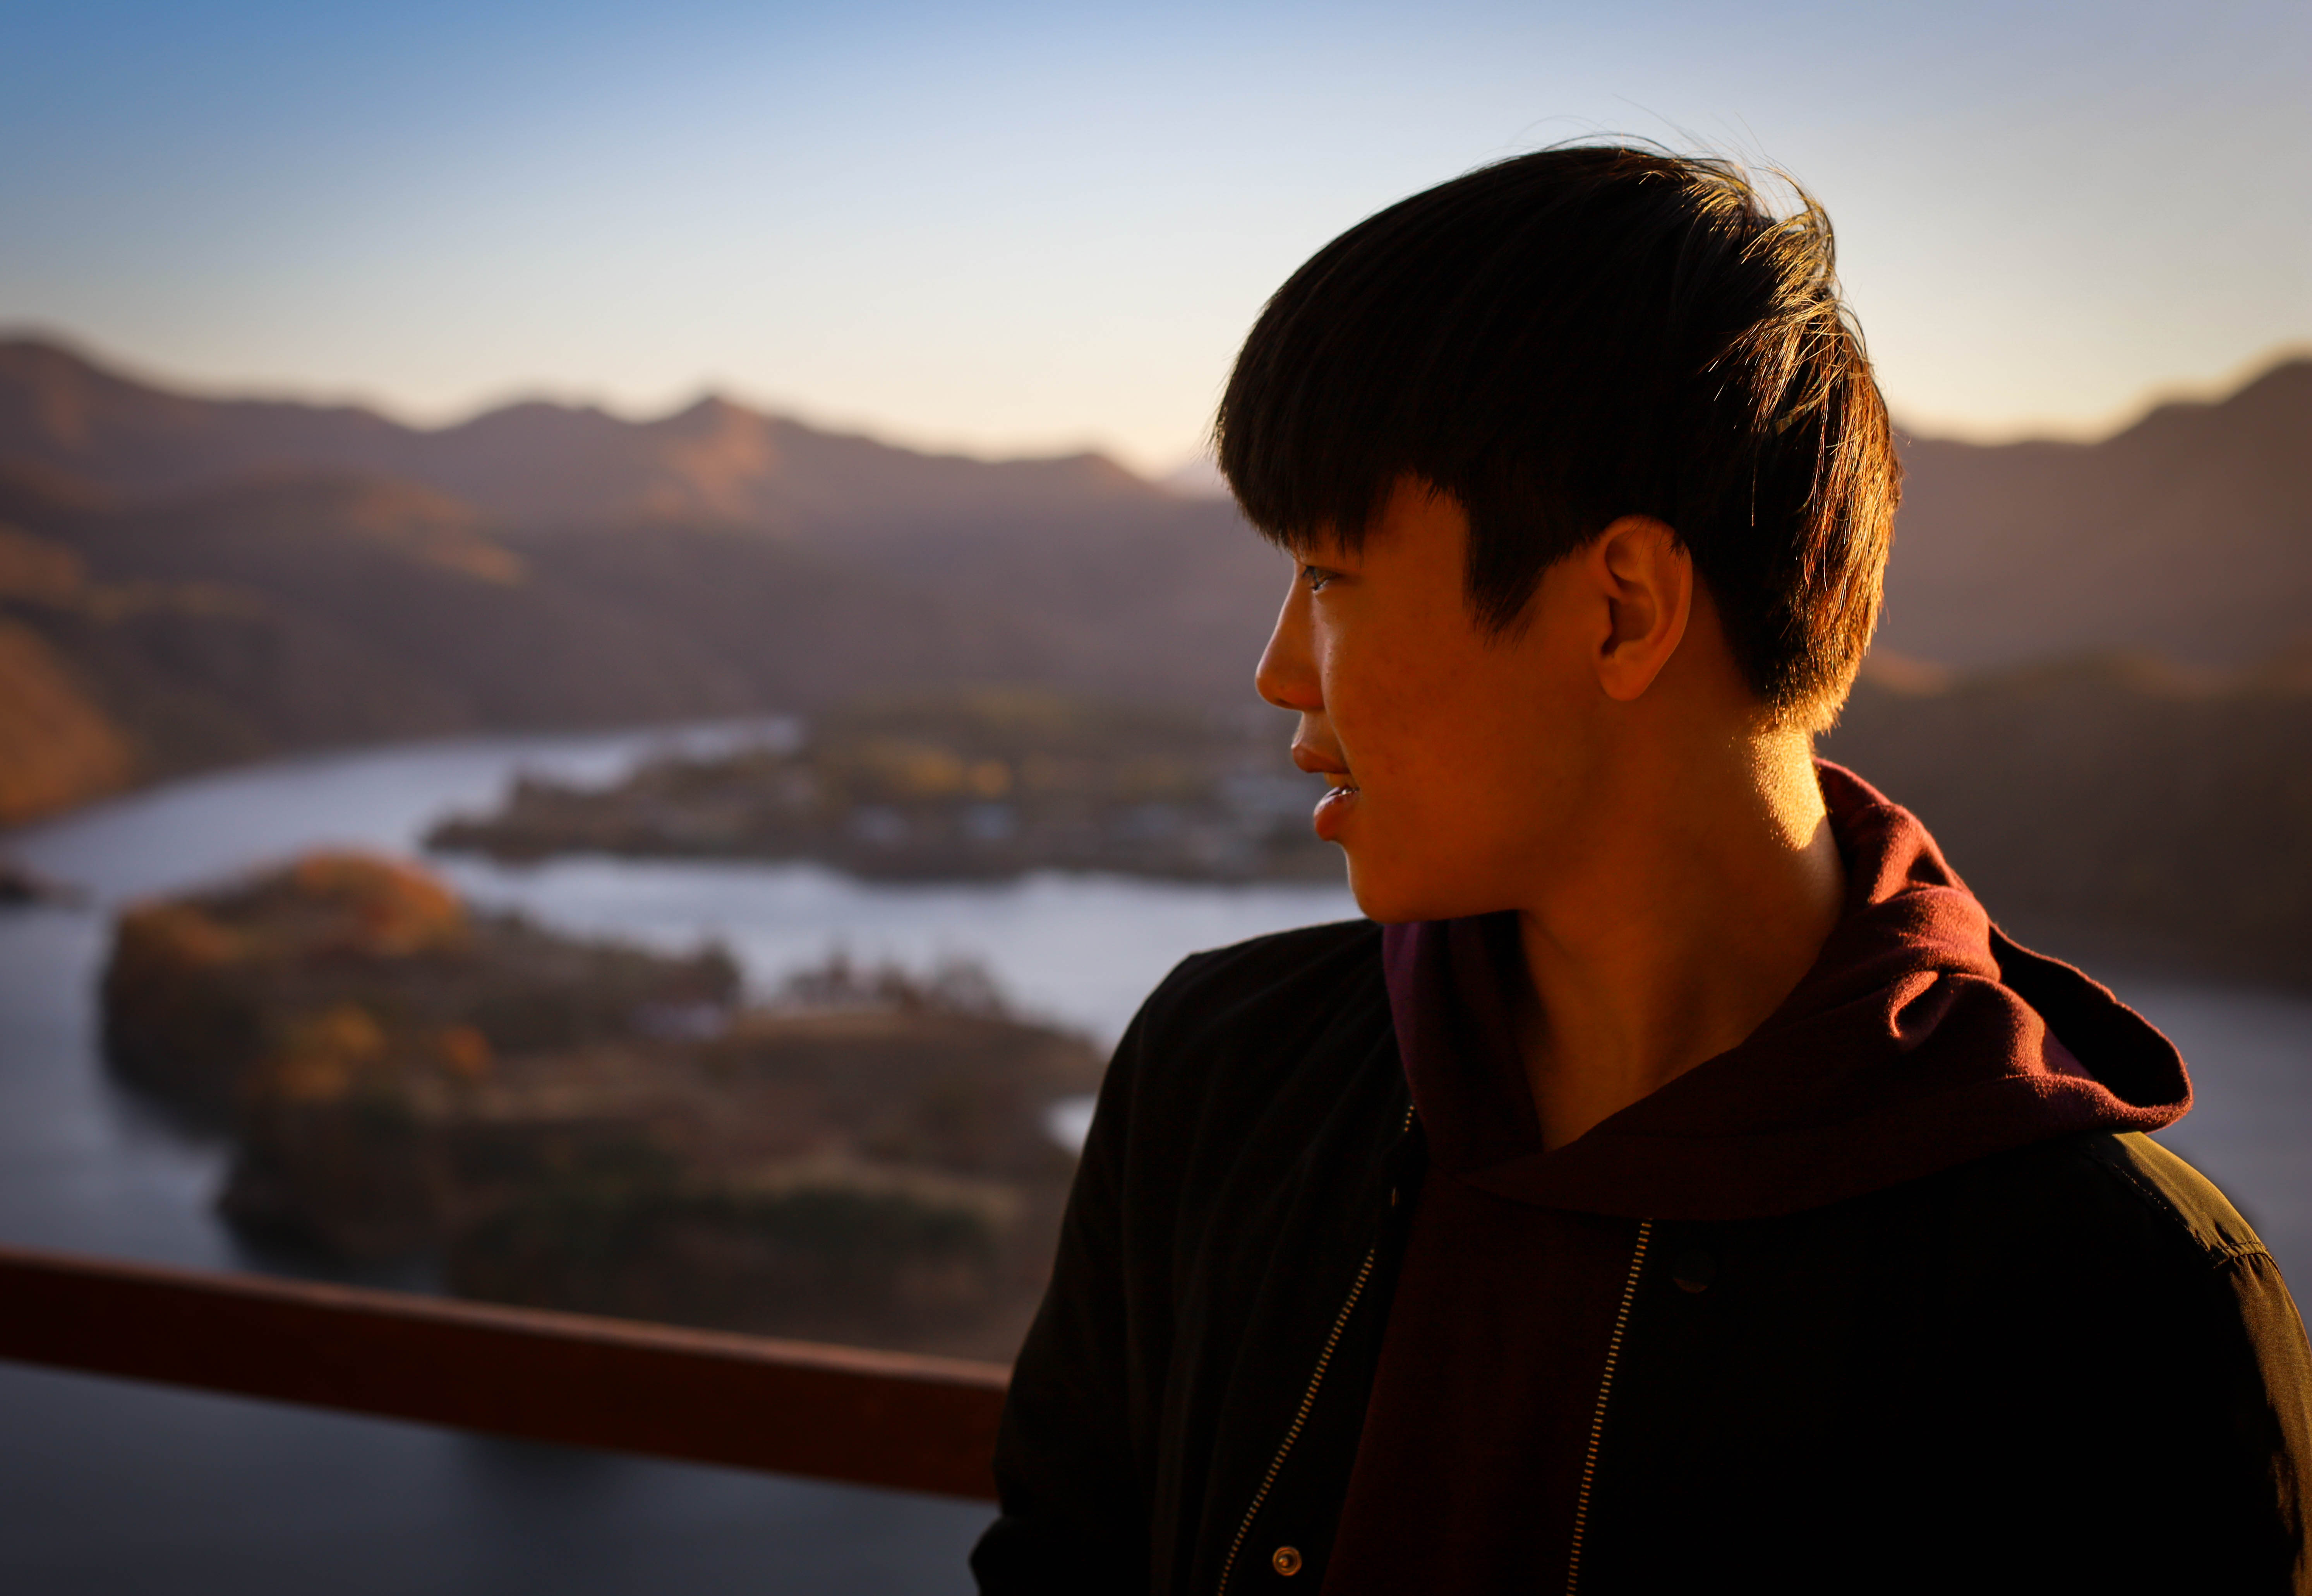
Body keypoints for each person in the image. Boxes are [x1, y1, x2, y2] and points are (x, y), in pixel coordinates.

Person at [971, 145, 2312, 1594]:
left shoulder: (2116, 1299)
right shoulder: (1219, 1077)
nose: (1278, 669)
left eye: (1329, 578)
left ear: (1620, 609)